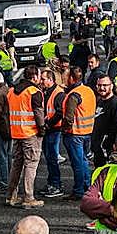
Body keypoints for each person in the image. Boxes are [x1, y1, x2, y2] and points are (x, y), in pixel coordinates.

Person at [2, 65, 45, 209]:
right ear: (34, 77)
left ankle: (10, 195)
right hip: (30, 133)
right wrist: (42, 129)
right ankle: (29, 197)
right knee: (31, 164)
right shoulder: (34, 92)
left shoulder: (12, 91)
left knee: (17, 164)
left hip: (16, 133)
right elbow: (38, 114)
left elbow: (7, 112)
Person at [61, 66, 96, 202]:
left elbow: (69, 117)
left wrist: (64, 129)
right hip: (87, 131)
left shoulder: (73, 95)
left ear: (71, 78)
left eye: (66, 76)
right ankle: (87, 187)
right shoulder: (88, 90)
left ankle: (78, 190)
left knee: (77, 163)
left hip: (75, 133)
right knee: (83, 162)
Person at [39, 68, 67, 199]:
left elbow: (60, 112)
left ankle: (56, 184)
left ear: (50, 80)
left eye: (43, 79)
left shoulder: (58, 93)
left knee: (52, 158)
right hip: (49, 129)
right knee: (49, 158)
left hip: (53, 129)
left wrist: (48, 123)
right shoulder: (47, 91)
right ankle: (52, 183)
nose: (41, 81)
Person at [92, 75, 117, 168]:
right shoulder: (100, 101)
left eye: (105, 85)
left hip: (108, 150)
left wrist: (113, 146)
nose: (101, 88)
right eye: (99, 85)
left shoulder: (116, 104)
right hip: (98, 149)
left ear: (111, 86)